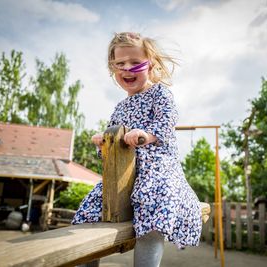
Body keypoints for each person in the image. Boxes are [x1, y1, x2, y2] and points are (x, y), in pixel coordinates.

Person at [71, 32, 202, 267]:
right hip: (123, 176)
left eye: (134, 63)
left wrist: (145, 135)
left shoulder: (159, 93)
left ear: (150, 64)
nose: (127, 69)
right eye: (119, 64)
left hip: (157, 172)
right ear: (113, 68)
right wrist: (106, 142)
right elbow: (112, 150)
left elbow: (166, 123)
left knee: (152, 217)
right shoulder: (120, 107)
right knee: (87, 214)